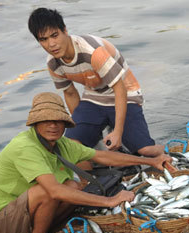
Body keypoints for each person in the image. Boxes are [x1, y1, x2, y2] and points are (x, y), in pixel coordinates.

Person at [0, 92, 172, 233]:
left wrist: (151, 161)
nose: (53, 125)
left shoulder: (61, 145)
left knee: (72, 185)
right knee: (49, 191)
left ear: (65, 124)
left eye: (58, 121)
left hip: (22, 219)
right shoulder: (25, 147)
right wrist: (109, 201)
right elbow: (53, 191)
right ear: (35, 123)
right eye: (46, 120)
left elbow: (103, 157)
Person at [27, 7, 164, 157]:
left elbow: (119, 88)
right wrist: (82, 128)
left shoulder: (92, 52)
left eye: (54, 35)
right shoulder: (53, 63)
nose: (51, 44)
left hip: (126, 94)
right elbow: (70, 93)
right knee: (73, 148)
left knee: (145, 150)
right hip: (94, 97)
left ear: (65, 31)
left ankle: (173, 150)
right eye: (43, 39)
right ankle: (92, 179)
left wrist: (118, 132)